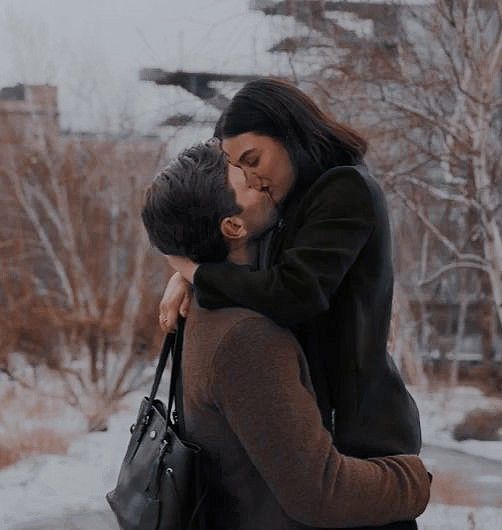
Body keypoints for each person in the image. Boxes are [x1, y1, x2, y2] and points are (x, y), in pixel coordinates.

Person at [141, 143, 431, 530]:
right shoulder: (246, 339)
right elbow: (320, 494)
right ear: (234, 226)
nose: (268, 181)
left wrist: (184, 271)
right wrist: (414, 481)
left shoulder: (205, 307)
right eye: (251, 182)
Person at [158, 78, 422, 462]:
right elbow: (246, 264)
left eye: (253, 159)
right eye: (238, 168)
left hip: (362, 436)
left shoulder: (346, 188)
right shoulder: (288, 203)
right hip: (320, 428)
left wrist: (193, 271)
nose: (250, 178)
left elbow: (294, 293)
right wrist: (184, 277)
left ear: (290, 135)